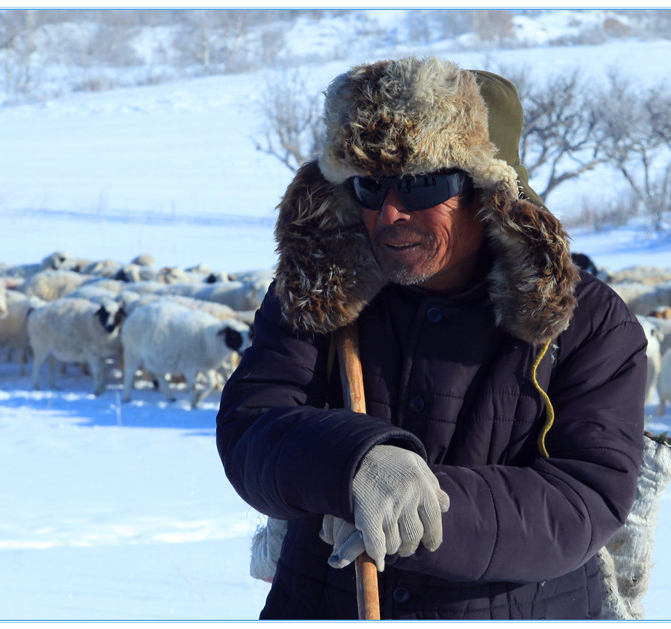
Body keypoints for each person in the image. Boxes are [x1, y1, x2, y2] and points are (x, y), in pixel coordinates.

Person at [216, 56, 648, 620]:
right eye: (370, 186)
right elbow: (252, 424)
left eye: (422, 185)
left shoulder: (585, 321)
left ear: (492, 193)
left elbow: (585, 497)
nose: (389, 213)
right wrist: (353, 463)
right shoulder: (320, 294)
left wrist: (428, 508)